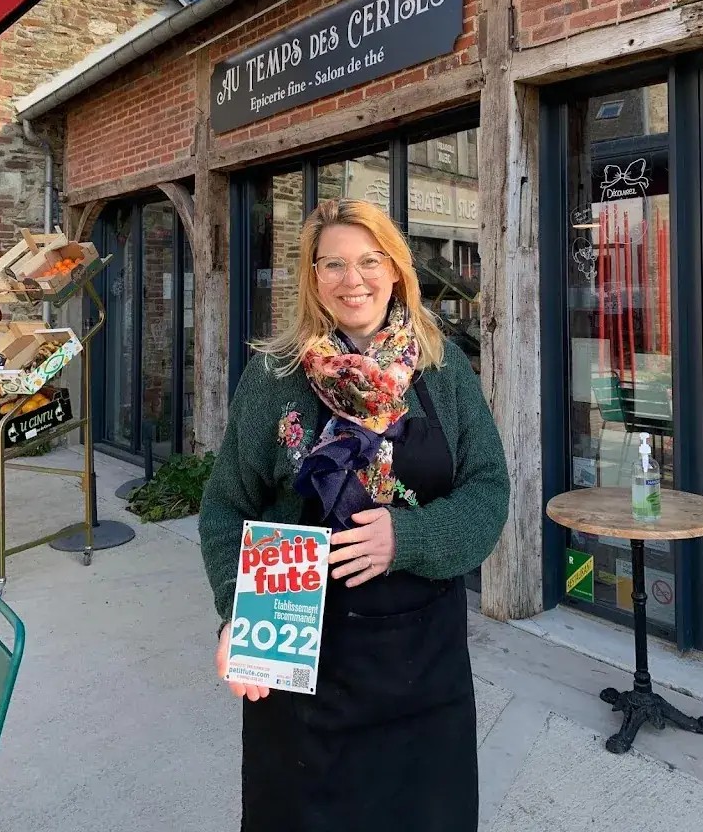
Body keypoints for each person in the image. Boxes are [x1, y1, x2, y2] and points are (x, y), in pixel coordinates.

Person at [198, 198, 510, 832]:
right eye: (333, 264)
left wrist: (408, 537)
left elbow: (489, 489)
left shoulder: (442, 367)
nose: (353, 279)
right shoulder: (274, 376)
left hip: (424, 671)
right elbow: (226, 506)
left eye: (369, 260)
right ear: (313, 279)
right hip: (302, 663)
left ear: (395, 270)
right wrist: (237, 615)